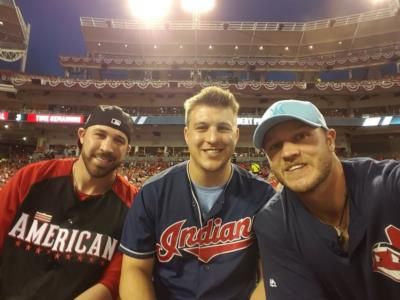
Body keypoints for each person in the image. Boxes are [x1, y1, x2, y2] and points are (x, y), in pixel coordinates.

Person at [119, 86, 275, 300]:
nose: (212, 138)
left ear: (236, 135)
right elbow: (135, 269)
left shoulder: (263, 195)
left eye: (223, 128)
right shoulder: (153, 193)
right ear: (187, 135)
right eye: (202, 128)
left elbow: (272, 276)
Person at [252, 99, 400, 299]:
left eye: (301, 136)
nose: (288, 152)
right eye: (275, 146)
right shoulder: (274, 223)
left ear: (330, 140)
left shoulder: (388, 184)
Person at [0, 105, 138, 300]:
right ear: (82, 135)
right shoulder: (31, 177)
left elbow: (113, 281)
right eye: (100, 134)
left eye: (119, 140)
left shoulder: (133, 205)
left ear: (127, 150)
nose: (107, 148)